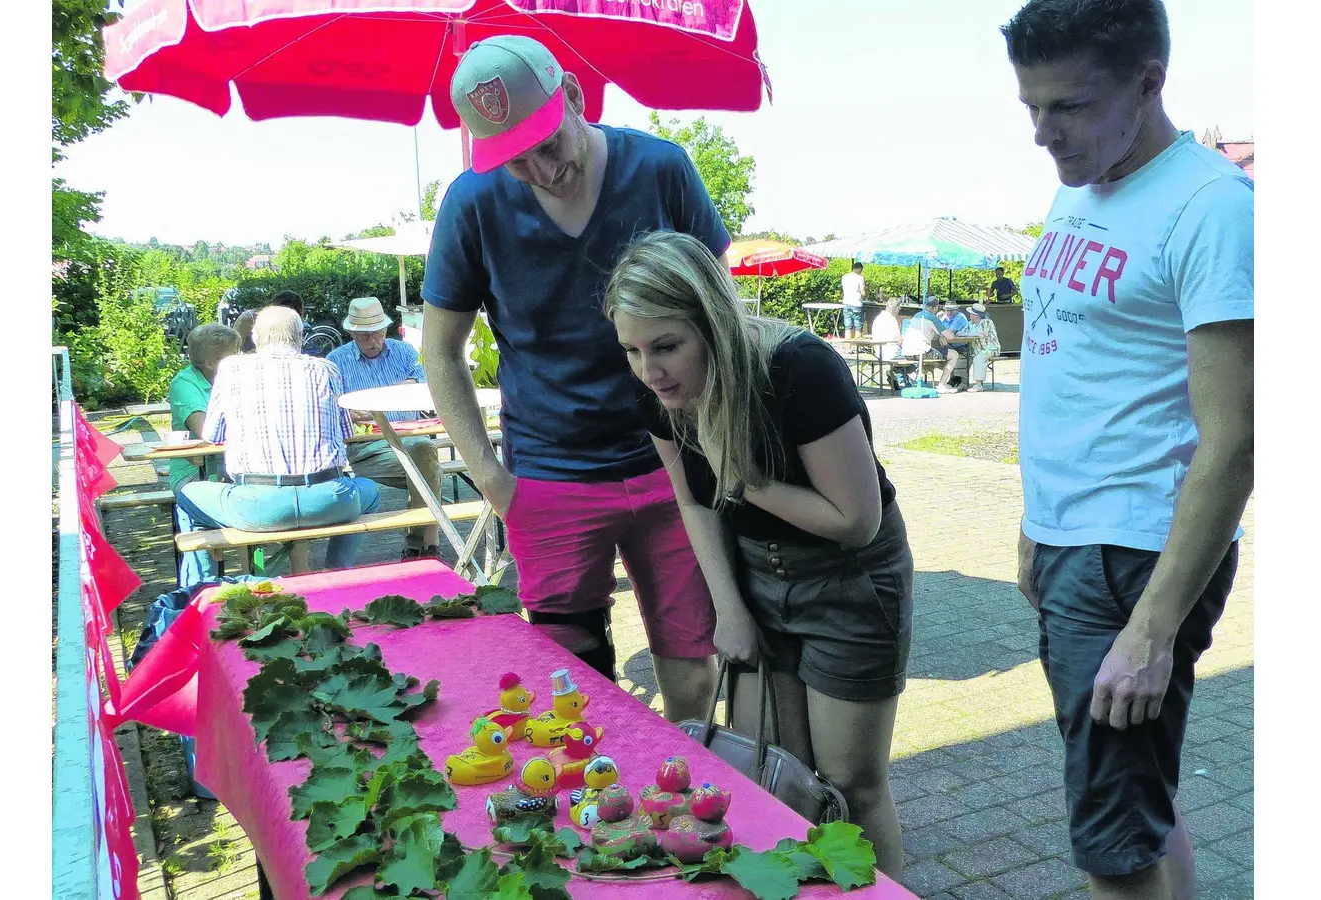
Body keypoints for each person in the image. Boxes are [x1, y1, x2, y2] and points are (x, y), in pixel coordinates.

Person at [1004, 1, 1254, 898]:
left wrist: (1152, 628)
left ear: (1150, 82)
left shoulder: (1211, 208)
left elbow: (1237, 442)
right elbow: (1074, 367)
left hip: (1134, 555)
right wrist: (1037, 521)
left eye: (1067, 106)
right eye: (1032, 106)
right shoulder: (1082, 179)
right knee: (1139, 804)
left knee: (1112, 844)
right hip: (1072, 538)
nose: (1044, 133)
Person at [420, 34, 722, 720]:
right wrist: (492, 480)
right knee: (573, 690)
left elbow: (720, 311)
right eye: (514, 158)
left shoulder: (661, 169)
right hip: (549, 476)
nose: (540, 169)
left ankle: (687, 787)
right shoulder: (472, 203)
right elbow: (440, 351)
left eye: (547, 143)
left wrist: (722, 440)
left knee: (692, 671)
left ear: (576, 98)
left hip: (676, 465)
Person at [606, 231, 912, 878]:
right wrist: (730, 609)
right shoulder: (659, 392)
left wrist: (741, 477)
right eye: (632, 349)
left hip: (848, 579)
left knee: (850, 785)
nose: (649, 371)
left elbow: (855, 521)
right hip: (754, 576)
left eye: (666, 346)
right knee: (767, 771)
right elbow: (695, 502)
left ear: (713, 322)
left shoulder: (799, 370)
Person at [177, 307, 385, 577]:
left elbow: (212, 435)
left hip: (258, 505)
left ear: (255, 337)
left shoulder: (231, 369)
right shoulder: (327, 369)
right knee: (370, 490)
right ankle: (336, 572)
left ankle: (202, 586)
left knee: (188, 497)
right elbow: (346, 432)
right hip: (328, 500)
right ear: (300, 338)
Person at [326, 296, 446, 561]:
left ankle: (418, 547)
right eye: (364, 336)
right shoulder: (336, 361)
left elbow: (422, 386)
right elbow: (329, 405)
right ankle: (428, 544)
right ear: (352, 334)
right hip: (366, 450)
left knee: (423, 452)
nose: (373, 341)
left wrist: (383, 397)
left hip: (410, 438)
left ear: (385, 329)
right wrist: (347, 411)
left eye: (378, 333)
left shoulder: (404, 352)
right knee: (428, 462)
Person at [167, 324, 242, 588]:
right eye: (234, 354)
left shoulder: (236, 378)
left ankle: (250, 583)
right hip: (193, 473)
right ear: (211, 363)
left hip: (233, 470)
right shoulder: (184, 383)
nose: (240, 358)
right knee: (195, 508)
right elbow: (205, 430)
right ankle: (199, 589)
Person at [962, 303, 1001, 392]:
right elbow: (960, 333)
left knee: (978, 358)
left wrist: (966, 334)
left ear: (976, 315)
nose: (970, 315)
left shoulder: (986, 322)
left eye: (971, 314)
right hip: (975, 350)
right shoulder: (970, 324)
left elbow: (981, 334)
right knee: (962, 356)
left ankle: (978, 385)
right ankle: (962, 382)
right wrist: (966, 333)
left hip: (990, 348)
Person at [840, 262, 866, 339]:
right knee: (858, 327)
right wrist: (865, 289)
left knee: (847, 327)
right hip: (856, 304)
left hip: (846, 303)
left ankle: (848, 345)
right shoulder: (860, 278)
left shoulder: (844, 277)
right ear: (859, 269)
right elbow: (863, 293)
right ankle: (857, 344)